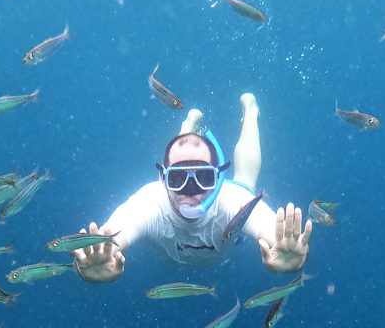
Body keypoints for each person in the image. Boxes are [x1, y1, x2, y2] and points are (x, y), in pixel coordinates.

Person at [72, 93, 311, 283]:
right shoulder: (149, 203)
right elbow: (111, 238)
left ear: (218, 178)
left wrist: (291, 256)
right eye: (177, 179)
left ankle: (251, 112)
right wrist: (92, 263)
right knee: (186, 155)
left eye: (204, 177)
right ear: (162, 180)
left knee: (246, 182)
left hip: (233, 208)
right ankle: (188, 126)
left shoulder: (234, 201)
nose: (190, 189)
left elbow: (274, 234)